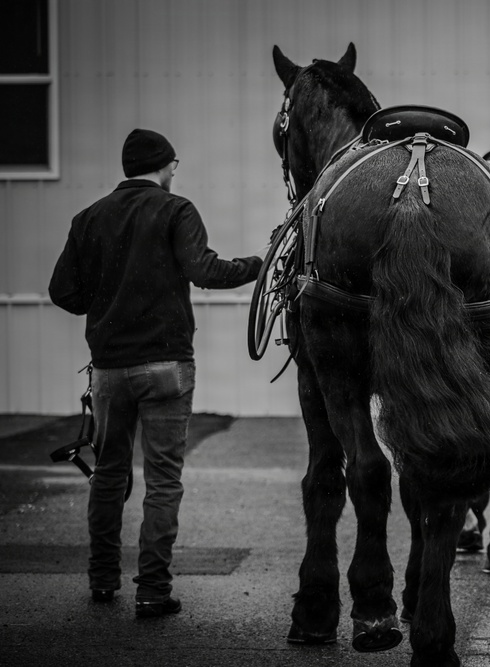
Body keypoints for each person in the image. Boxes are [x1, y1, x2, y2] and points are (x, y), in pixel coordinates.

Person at [48, 128, 267, 618]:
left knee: (108, 476)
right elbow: (205, 270)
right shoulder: (175, 209)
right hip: (167, 366)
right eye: (173, 165)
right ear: (163, 165)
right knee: (163, 480)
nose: (174, 173)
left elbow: (63, 291)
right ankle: (152, 589)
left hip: (108, 372)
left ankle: (103, 581)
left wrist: (104, 304)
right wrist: (259, 264)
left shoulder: (88, 218)